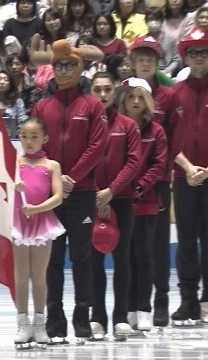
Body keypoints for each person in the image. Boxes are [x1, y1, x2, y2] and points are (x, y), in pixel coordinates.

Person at [30, 39, 108, 344]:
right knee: (52, 258)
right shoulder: (41, 106)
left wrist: (72, 178)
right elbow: (35, 147)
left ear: (78, 68)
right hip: (51, 195)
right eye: (58, 65)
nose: (62, 71)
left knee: (81, 256)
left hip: (82, 192)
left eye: (68, 65)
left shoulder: (92, 105)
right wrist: (52, 180)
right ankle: (55, 317)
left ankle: (82, 315)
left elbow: (97, 146)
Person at [88, 72, 141, 339]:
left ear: (115, 92)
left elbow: (134, 162)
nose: (103, 94)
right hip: (91, 199)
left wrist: (111, 191)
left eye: (108, 89)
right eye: (98, 89)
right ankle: (97, 317)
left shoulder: (128, 125)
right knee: (94, 260)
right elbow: (80, 159)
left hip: (121, 198)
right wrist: (97, 193)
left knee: (122, 259)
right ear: (91, 92)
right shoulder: (85, 125)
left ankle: (120, 317)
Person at [117, 78, 167, 332]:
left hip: (145, 201)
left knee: (144, 255)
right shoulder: (117, 128)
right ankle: (128, 308)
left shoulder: (155, 130)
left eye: (140, 97)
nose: (135, 102)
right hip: (122, 201)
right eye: (130, 97)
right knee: (125, 257)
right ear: (123, 100)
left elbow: (159, 164)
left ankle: (144, 308)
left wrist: (139, 186)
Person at [11, 117, 65, 348]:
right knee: (22, 275)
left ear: (45, 138)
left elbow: (58, 196)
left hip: (42, 223)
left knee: (39, 275)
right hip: (19, 223)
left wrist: (36, 209)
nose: (29, 141)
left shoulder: (51, 165)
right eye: (24, 136)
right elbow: (1, 189)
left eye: (34, 137)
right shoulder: (13, 163)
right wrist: (14, 186)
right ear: (19, 137)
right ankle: (23, 323)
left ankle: (40, 323)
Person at [170, 27, 208, 325]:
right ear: (185, 56)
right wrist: (187, 168)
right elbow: (167, 139)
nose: (199, 58)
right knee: (185, 241)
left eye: (204, 52)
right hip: (184, 179)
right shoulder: (174, 94)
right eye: (193, 53)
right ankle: (188, 300)